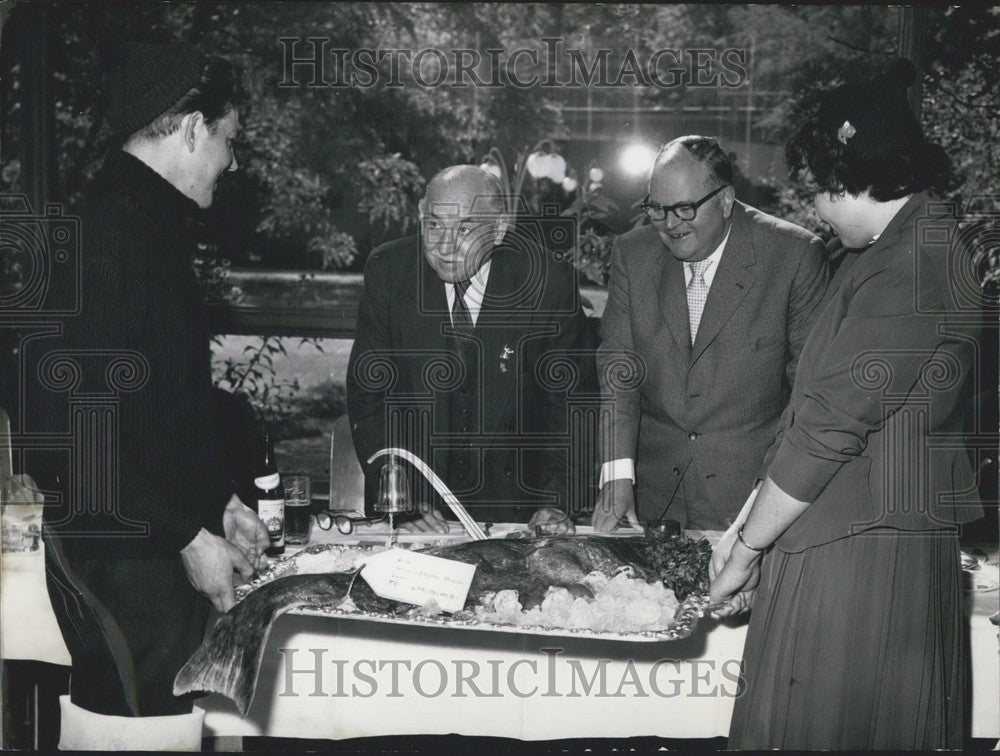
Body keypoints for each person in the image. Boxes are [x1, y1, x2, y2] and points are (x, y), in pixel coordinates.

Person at [709, 60, 984, 749]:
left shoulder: (910, 266)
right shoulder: (885, 252)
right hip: (845, 540)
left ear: (846, 178)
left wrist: (745, 551)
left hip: (859, 558)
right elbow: (812, 413)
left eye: (819, 192)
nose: (816, 210)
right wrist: (745, 528)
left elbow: (827, 434)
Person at [25, 40, 268, 740]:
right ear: (192, 128)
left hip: (147, 544)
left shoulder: (142, 222)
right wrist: (186, 535)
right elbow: (73, 438)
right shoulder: (104, 237)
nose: (232, 159)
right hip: (122, 557)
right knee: (139, 732)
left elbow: (164, 410)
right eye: (229, 139)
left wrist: (217, 502)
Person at [594, 136, 827, 532]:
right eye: (657, 209)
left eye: (685, 209)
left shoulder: (794, 256)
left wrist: (767, 500)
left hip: (751, 502)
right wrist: (617, 473)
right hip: (653, 498)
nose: (669, 224)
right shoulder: (634, 253)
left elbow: (807, 397)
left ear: (725, 200)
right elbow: (619, 372)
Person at [347, 165, 592, 533]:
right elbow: (369, 397)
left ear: (498, 228)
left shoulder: (548, 282)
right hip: (415, 512)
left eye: (464, 229)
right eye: (434, 226)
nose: (445, 247)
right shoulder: (389, 271)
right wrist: (399, 495)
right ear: (420, 215)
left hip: (516, 515)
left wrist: (555, 504)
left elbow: (569, 407)